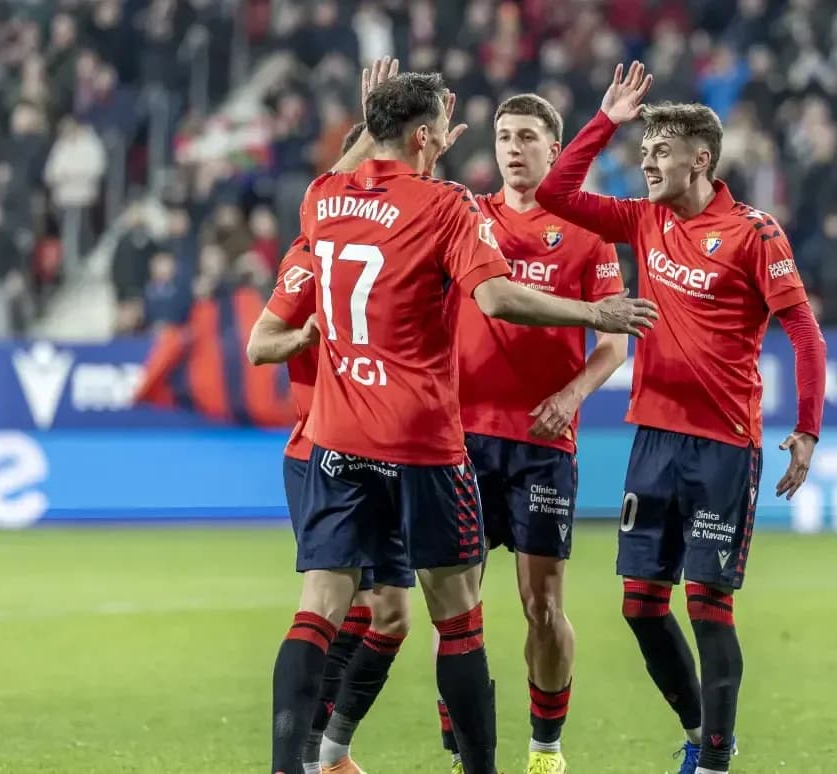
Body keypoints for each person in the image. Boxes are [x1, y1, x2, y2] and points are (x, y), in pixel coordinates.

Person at [268, 66, 659, 774]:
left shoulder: (322, 198)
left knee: (320, 609)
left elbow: (355, 170)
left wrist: (378, 121)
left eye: (523, 136)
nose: (489, 144)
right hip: (427, 438)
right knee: (458, 618)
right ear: (427, 137)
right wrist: (593, 313)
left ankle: (292, 765)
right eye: (452, 129)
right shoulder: (449, 205)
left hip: (338, 438)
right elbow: (499, 300)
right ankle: (474, 765)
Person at [534, 62, 827, 774]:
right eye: (643, 151)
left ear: (702, 157)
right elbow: (555, 192)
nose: (646, 161)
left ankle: (715, 762)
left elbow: (805, 333)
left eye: (659, 150)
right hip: (654, 441)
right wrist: (605, 119)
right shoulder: (645, 220)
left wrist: (807, 428)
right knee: (640, 606)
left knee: (709, 607)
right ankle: (701, 728)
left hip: (724, 447)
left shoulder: (755, 234)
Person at [436, 93, 628, 774]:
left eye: (527, 137)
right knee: (455, 605)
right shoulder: (468, 217)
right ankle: (464, 745)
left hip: (543, 446)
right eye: (503, 137)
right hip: (459, 440)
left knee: (542, 606)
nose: (513, 149)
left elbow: (613, 340)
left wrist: (573, 393)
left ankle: (545, 749)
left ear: (554, 148)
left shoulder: (585, 232)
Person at [246, 121, 376, 774]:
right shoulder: (310, 255)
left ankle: (321, 749)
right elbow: (258, 345)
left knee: (384, 612)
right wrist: (305, 338)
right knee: (337, 601)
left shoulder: (391, 243)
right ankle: (304, 756)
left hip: (382, 450)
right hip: (319, 450)